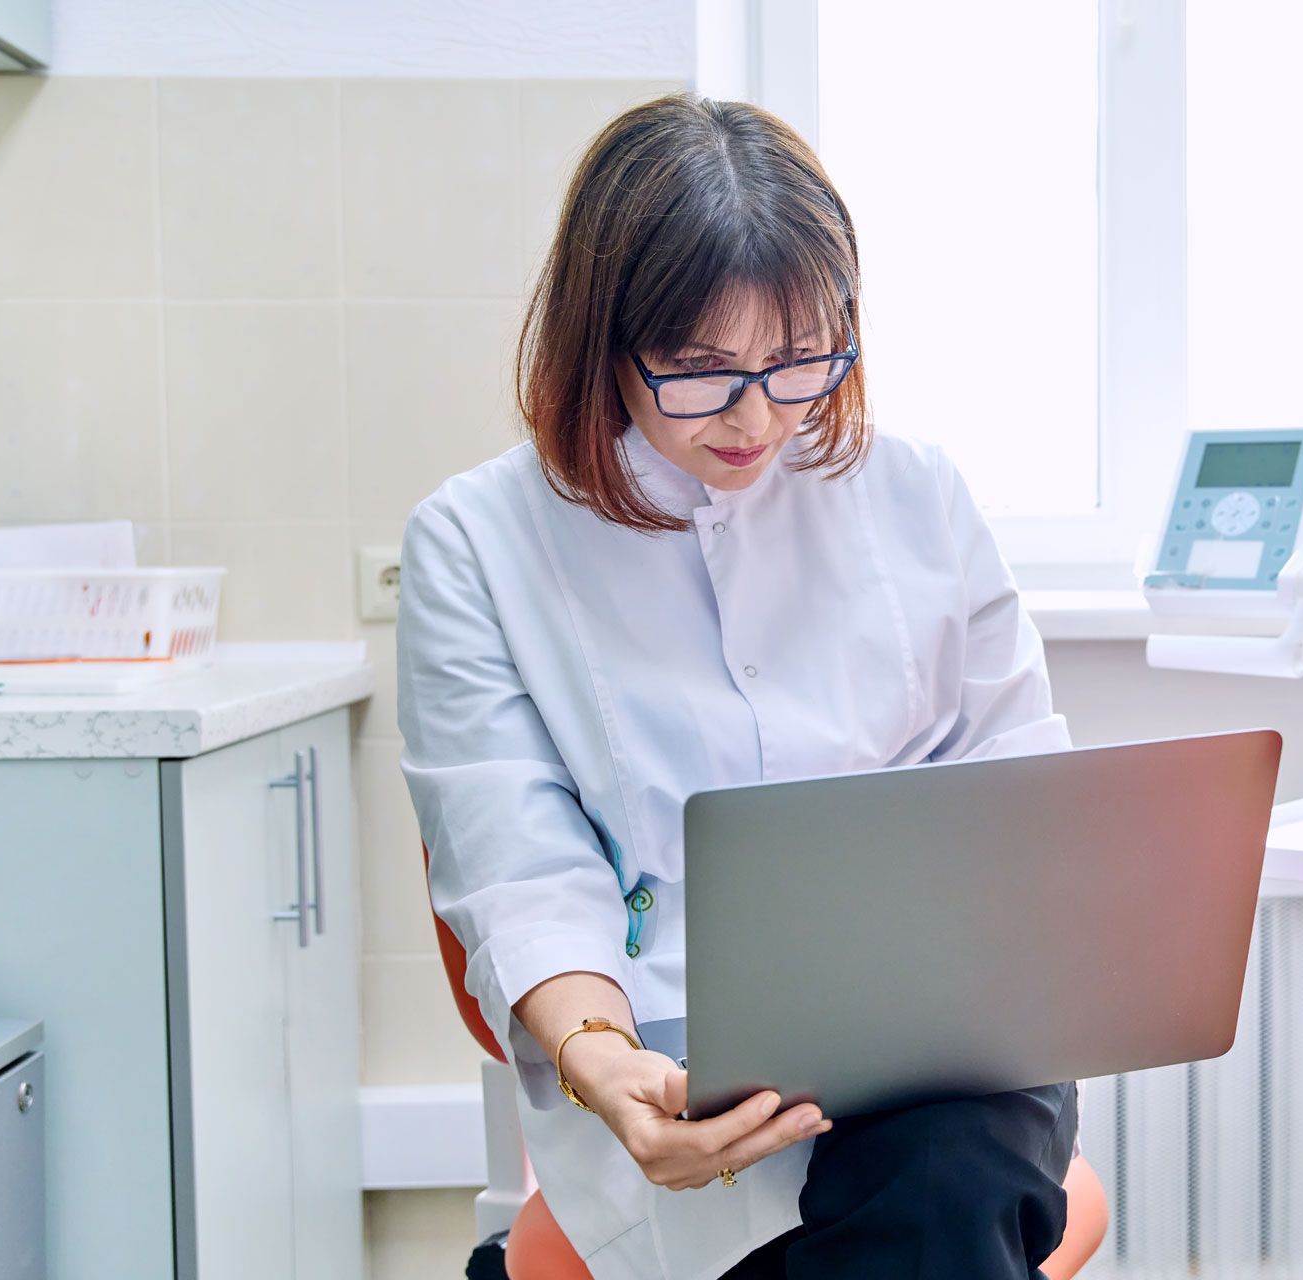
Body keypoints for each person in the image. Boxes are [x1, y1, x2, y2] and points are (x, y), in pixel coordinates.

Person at [396, 92, 1078, 1280]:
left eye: (799, 359)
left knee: (951, 1166)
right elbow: (519, 866)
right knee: (947, 1218)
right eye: (704, 372)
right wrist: (604, 1059)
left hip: (941, 1042)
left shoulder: (920, 496)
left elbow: (1024, 791)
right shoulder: (479, 541)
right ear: (604, 341)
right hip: (665, 1045)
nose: (759, 415)